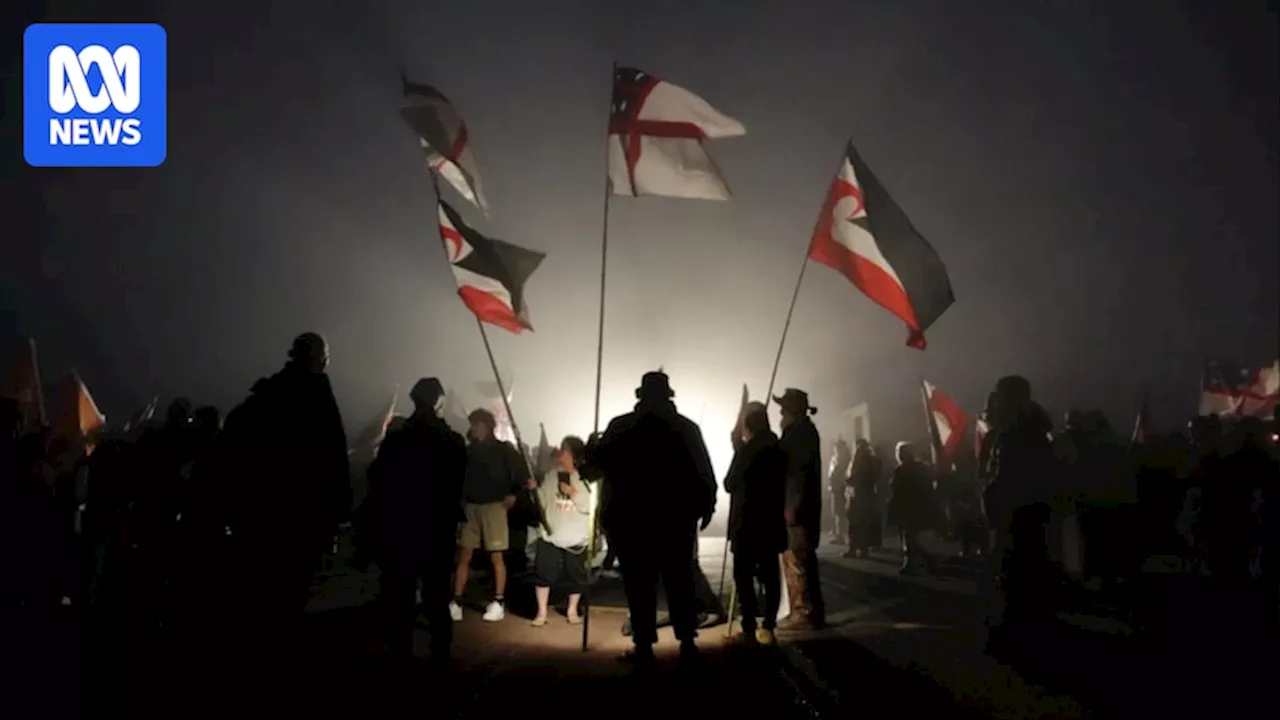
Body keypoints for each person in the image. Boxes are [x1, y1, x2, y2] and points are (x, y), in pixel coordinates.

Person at [219, 332, 351, 663]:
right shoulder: (317, 394)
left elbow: (233, 441)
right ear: (317, 359)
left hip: (261, 509)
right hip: (299, 510)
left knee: (262, 587)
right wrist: (339, 507)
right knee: (290, 588)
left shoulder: (266, 393)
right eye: (324, 358)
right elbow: (333, 453)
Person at [587, 370, 716, 663]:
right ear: (668, 396)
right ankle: (686, 642)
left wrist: (592, 448)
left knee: (640, 584)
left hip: (632, 520)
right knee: (678, 581)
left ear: (640, 396)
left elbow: (594, 470)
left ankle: (644, 644)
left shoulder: (621, 427)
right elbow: (704, 473)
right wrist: (707, 506)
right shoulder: (686, 428)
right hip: (675, 519)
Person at [362, 378, 467, 666]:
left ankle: (401, 655)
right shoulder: (451, 440)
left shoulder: (397, 440)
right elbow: (459, 483)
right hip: (435, 526)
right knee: (435, 596)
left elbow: (378, 479)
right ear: (438, 402)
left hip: (402, 526)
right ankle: (439, 656)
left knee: (401, 595)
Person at [451, 408, 525, 623]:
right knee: (464, 553)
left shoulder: (503, 450)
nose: (473, 428)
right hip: (471, 506)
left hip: (494, 506)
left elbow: (520, 474)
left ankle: (498, 601)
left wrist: (514, 493)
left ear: (487, 425)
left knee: (496, 555)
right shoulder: (468, 450)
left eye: (476, 424)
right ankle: (456, 600)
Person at [725, 401, 787, 646]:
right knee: (771, 575)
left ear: (748, 427)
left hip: (747, 521)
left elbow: (730, 483)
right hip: (772, 520)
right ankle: (769, 625)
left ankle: (749, 624)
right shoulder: (780, 449)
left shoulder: (747, 451)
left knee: (743, 575)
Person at [774, 388, 826, 630]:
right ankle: (806, 610)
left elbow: (798, 474)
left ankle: (803, 613)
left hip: (798, 509)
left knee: (798, 559)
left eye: (783, 409)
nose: (781, 414)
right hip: (798, 507)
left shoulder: (800, 433)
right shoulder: (801, 431)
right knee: (800, 559)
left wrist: (792, 507)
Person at [528, 436, 592, 627]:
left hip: (576, 537)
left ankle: (572, 610)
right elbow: (543, 502)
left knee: (576, 575)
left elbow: (589, 505)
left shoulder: (585, 478)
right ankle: (541, 612)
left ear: (573, 455)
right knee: (543, 573)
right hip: (550, 535)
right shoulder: (551, 475)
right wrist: (534, 490)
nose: (560, 453)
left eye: (564, 449)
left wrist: (572, 492)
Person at [888, 442, 939, 575]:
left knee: (909, 537)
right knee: (912, 537)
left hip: (907, 506)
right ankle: (926, 560)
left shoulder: (902, 470)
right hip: (919, 505)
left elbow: (895, 489)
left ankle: (916, 562)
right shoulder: (922, 468)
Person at [845, 438, 882, 558]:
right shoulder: (871, 460)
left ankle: (856, 548)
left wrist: (851, 481)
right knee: (862, 523)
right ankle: (861, 549)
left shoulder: (861, 460)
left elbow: (855, 478)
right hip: (863, 495)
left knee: (857, 523)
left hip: (859, 495)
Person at [827, 439, 851, 544]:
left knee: (842, 512)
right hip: (835, 489)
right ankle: (839, 534)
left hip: (842, 489)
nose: (836, 450)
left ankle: (844, 535)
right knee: (836, 512)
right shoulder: (834, 459)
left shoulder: (846, 460)